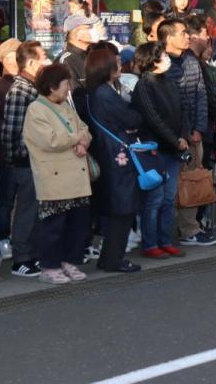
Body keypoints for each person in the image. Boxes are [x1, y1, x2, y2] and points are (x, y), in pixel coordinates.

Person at [23, 65, 93, 285]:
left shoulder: (65, 106)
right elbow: (51, 140)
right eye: (65, 84)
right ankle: (49, 265)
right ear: (53, 87)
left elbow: (85, 129)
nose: (68, 88)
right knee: (53, 225)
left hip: (74, 175)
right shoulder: (36, 109)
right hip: (53, 176)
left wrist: (82, 138)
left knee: (77, 223)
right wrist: (78, 138)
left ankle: (69, 261)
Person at [81, 47, 144, 273]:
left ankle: (111, 256)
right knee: (122, 207)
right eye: (115, 62)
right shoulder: (104, 93)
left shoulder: (96, 92)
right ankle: (113, 258)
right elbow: (130, 117)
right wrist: (134, 112)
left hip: (110, 151)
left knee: (120, 206)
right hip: (116, 154)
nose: (120, 65)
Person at [157, 20, 215, 248]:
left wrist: (199, 128)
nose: (188, 36)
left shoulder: (191, 60)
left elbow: (201, 95)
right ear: (169, 37)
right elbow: (168, 103)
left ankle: (190, 229)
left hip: (194, 134)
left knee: (191, 180)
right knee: (170, 186)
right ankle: (167, 233)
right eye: (183, 33)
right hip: (170, 136)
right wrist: (180, 133)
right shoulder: (160, 62)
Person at [132, 41, 186, 259]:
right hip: (154, 150)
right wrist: (176, 140)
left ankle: (165, 240)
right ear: (152, 60)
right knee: (154, 199)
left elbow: (182, 111)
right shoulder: (144, 85)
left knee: (168, 198)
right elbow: (153, 119)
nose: (167, 58)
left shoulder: (169, 81)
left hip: (173, 148)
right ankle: (151, 243)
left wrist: (183, 135)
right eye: (162, 55)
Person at [1, 40, 48, 278]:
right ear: (30, 62)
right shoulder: (21, 90)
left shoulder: (33, 88)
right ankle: (21, 258)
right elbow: (11, 131)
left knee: (36, 209)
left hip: (37, 160)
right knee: (26, 211)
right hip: (26, 162)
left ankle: (32, 254)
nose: (46, 62)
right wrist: (18, 158)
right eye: (42, 57)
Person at [0, 37, 20, 260]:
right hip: (8, 151)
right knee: (6, 197)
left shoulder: (33, 83)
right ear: (4, 60)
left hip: (31, 151)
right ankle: (2, 237)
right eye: (14, 56)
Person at [57, 13, 102, 88]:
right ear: (77, 35)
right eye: (89, 28)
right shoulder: (66, 61)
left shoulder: (92, 55)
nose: (94, 30)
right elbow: (74, 96)